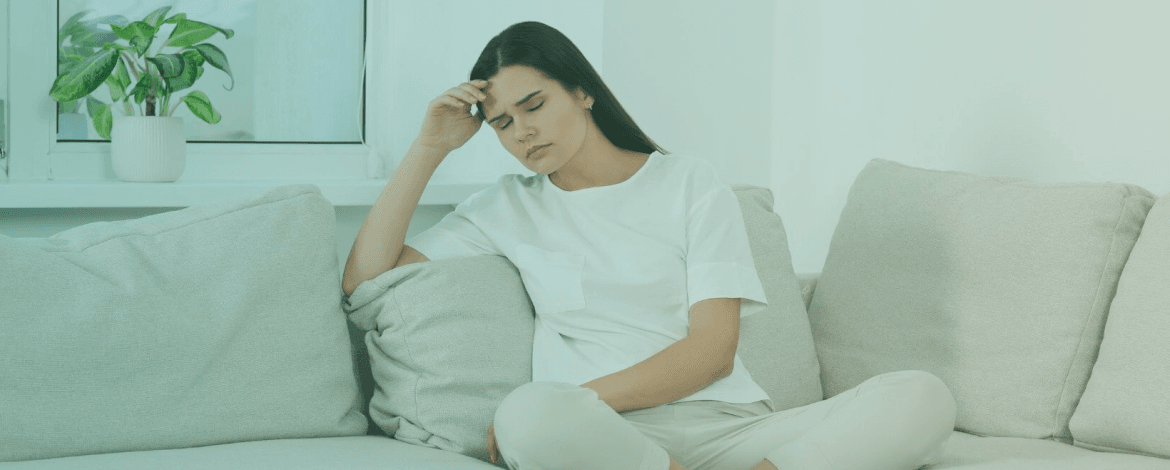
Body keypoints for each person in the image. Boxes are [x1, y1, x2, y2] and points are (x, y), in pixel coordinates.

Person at [342, 21, 957, 470]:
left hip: (733, 430)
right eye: (502, 122)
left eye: (535, 104)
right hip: (605, 442)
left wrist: (580, 396)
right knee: (527, 414)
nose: (522, 130)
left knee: (921, 396)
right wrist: (429, 148)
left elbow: (712, 352)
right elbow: (366, 279)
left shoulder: (689, 182)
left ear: (582, 92)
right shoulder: (507, 205)